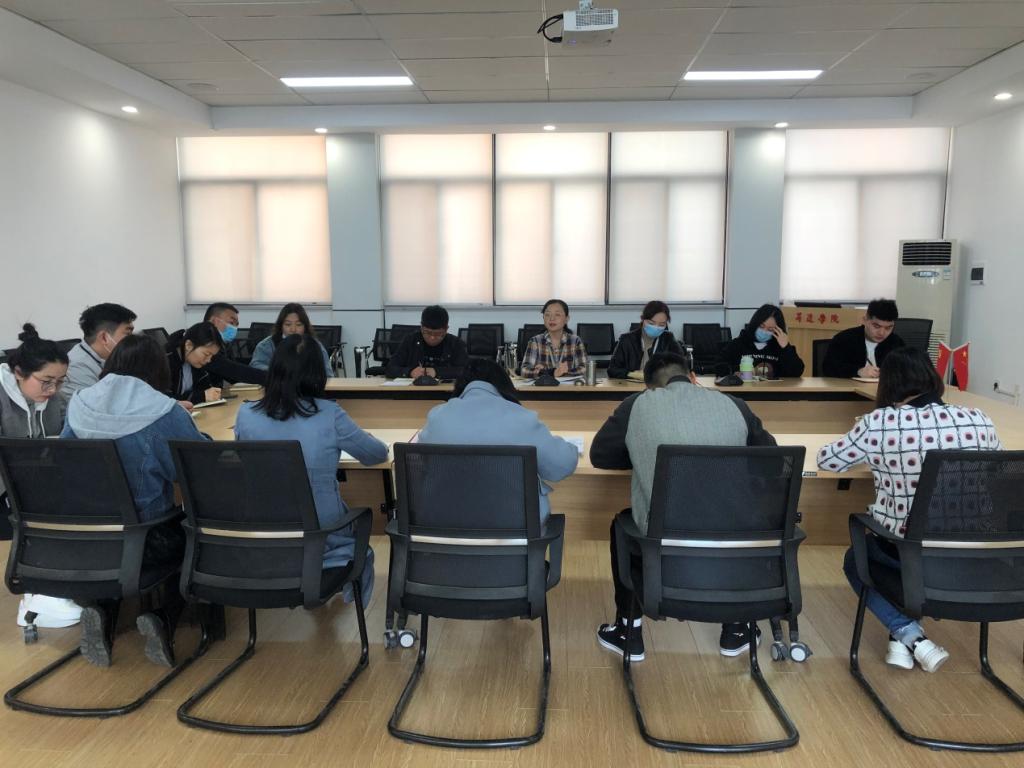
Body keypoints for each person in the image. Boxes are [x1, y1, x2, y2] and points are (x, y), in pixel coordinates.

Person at [817, 347, 1001, 673]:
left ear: (887, 384)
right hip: (974, 558)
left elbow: (828, 460)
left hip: (908, 555)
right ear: (932, 378)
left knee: (856, 560)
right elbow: (998, 472)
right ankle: (904, 639)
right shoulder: (979, 420)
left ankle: (909, 634)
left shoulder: (880, 423)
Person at [590, 352, 776, 661]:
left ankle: (628, 631)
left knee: (621, 526)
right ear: (692, 378)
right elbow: (770, 459)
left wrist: (641, 454)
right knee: (729, 511)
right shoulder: (734, 404)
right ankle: (736, 628)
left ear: (649, 387)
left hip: (663, 535)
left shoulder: (637, 405)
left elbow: (600, 455)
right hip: (734, 537)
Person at [62, 334, 208, 668]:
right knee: (196, 538)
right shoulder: (162, 410)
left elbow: (65, 458)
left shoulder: (80, 402)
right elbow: (194, 468)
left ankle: (102, 611)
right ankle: (163, 618)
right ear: (158, 370)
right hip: (148, 540)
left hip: (83, 537)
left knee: (116, 545)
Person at [235, 334, 387, 605]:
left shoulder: (245, 415)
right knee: (356, 531)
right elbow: (375, 454)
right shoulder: (328, 413)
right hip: (321, 532)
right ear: (318, 373)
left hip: (265, 532)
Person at [418, 358, 579, 521]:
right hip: (516, 529)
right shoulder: (522, 419)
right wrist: (570, 447)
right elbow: (562, 466)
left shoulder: (437, 417)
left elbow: (420, 464)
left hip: (441, 526)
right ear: (505, 385)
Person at [1, 325, 81, 630]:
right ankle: (39, 595)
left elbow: (61, 436)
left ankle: (53, 588)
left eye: (60, 382)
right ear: (18, 373)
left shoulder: (50, 398)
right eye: (46, 381)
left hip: (30, 481)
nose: (53, 390)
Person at [62, 303, 136, 401]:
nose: (133, 340)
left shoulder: (113, 358)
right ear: (104, 338)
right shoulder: (75, 368)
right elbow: (94, 408)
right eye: (128, 334)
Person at [823, 298, 904, 379]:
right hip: (849, 386)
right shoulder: (844, 339)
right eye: (876, 326)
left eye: (888, 328)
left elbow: (906, 370)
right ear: (865, 320)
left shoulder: (896, 343)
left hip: (884, 387)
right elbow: (828, 368)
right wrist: (858, 371)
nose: (881, 333)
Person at [719, 303, 805, 379]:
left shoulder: (780, 347)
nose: (764, 331)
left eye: (770, 329)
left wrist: (786, 348)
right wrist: (735, 371)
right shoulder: (739, 343)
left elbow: (797, 372)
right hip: (744, 390)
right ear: (755, 324)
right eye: (761, 326)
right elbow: (718, 364)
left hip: (774, 391)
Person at [384, 305, 468, 380]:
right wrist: (410, 372)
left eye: (438, 334)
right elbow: (390, 368)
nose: (432, 337)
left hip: (446, 391)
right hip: (414, 390)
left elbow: (465, 371)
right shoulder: (410, 341)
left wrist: (437, 372)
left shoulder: (455, 343)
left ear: (446, 329)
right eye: (427, 332)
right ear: (421, 327)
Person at [250, 302, 333, 377]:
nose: (293, 329)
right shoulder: (267, 345)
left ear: (305, 326)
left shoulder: (315, 345)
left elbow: (328, 374)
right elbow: (255, 366)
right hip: (278, 386)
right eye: (288, 324)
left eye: (298, 324)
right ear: (281, 326)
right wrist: (280, 372)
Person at [607, 300, 684, 380]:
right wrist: (632, 374)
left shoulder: (669, 339)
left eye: (662, 324)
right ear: (643, 319)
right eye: (651, 323)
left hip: (660, 385)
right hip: (631, 385)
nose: (656, 327)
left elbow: (681, 367)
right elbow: (612, 370)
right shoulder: (626, 340)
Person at [202, 302, 267, 387]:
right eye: (231, 322)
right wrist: (271, 378)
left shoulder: (224, 345)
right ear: (214, 321)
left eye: (236, 325)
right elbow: (231, 370)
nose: (234, 328)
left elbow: (234, 375)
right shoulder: (203, 343)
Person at [520, 299, 588, 379]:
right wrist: (551, 373)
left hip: (568, 386)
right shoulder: (535, 341)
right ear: (543, 318)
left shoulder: (575, 341)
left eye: (557, 314)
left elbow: (584, 369)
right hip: (544, 386)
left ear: (567, 319)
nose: (552, 318)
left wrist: (561, 373)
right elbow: (524, 371)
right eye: (547, 314)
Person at [165, 322, 224, 405]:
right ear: (188, 345)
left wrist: (211, 394)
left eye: (212, 356)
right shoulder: (165, 361)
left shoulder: (195, 362)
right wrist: (202, 396)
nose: (209, 360)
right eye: (206, 354)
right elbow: (164, 400)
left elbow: (204, 388)